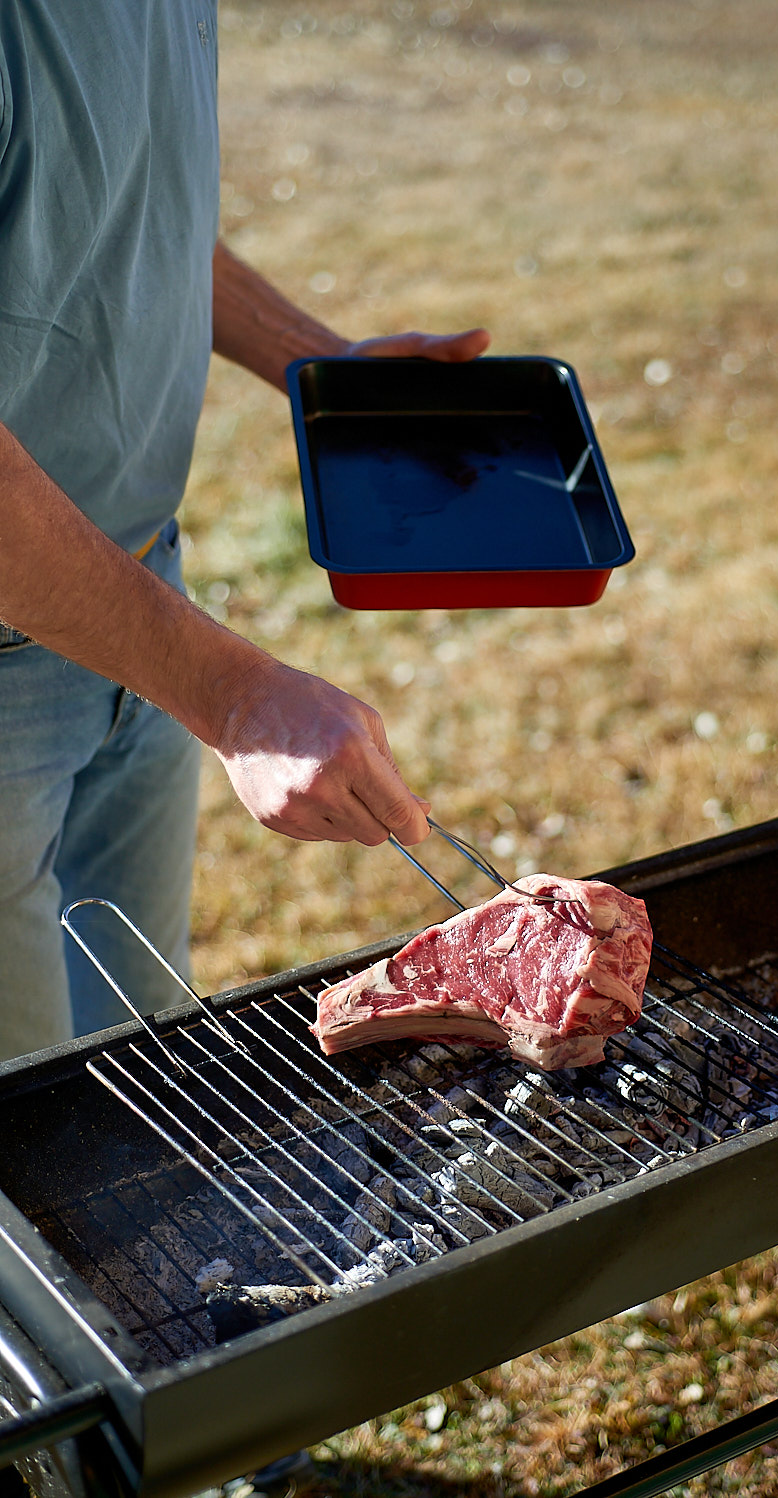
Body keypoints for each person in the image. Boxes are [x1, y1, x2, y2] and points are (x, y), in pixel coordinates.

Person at [0, 3, 490, 1061]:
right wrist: (234, 694)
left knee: (143, 1067)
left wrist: (321, 368)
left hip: (136, 605)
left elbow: (122, 215)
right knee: (26, 1155)